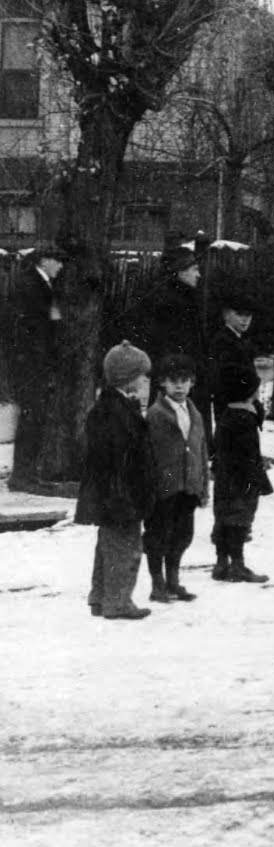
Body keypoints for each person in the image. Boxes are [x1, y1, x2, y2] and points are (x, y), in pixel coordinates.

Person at [75, 341, 155, 620]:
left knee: (108, 544)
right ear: (127, 377)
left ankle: (100, 596)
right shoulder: (116, 411)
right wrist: (128, 493)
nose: (145, 380)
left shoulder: (111, 406)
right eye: (142, 375)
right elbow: (120, 457)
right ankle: (118, 601)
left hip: (109, 492)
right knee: (126, 547)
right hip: (120, 493)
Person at [144, 353, 209, 604]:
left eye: (185, 380)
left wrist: (203, 487)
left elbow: (201, 451)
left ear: (192, 382)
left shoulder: (195, 414)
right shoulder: (155, 414)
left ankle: (173, 580)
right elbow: (148, 454)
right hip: (164, 489)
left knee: (182, 535)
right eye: (173, 381)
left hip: (189, 486)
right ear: (162, 383)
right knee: (158, 535)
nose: (180, 386)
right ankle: (157, 583)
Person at [6, 246, 65, 486]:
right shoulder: (32, 286)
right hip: (31, 364)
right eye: (57, 261)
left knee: (34, 417)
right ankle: (24, 474)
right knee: (32, 417)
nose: (60, 267)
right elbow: (31, 329)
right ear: (44, 261)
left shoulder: (39, 285)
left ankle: (28, 472)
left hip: (33, 362)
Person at [209, 362, 272, 584]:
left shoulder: (227, 416)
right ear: (249, 392)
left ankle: (221, 562)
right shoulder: (245, 420)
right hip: (242, 482)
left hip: (224, 480)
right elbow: (250, 456)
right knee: (239, 520)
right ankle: (237, 565)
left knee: (223, 518)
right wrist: (259, 481)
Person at [123, 245, 206, 386]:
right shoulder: (171, 303)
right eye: (195, 270)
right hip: (175, 380)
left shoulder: (183, 298)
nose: (199, 275)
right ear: (180, 271)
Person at [203, 290, 260, 431]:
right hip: (231, 410)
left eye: (249, 315)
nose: (245, 320)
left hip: (244, 410)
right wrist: (254, 382)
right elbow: (228, 376)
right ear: (226, 315)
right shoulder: (223, 341)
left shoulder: (241, 340)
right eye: (240, 314)